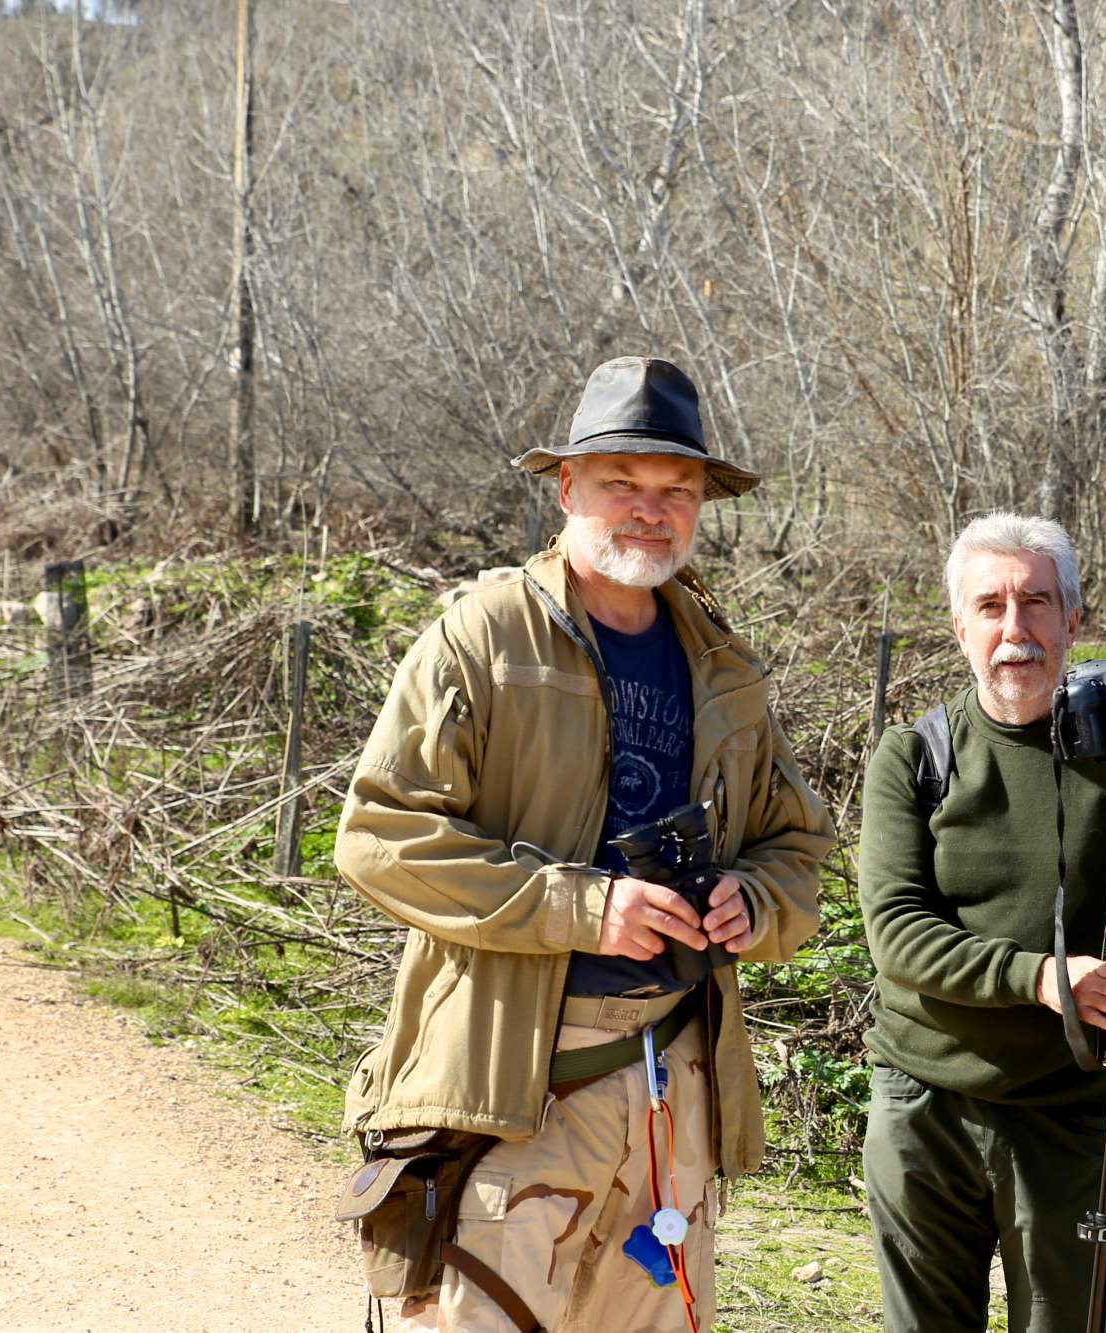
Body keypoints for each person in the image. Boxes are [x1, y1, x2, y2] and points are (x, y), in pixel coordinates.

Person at [333, 356, 833, 1333]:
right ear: (566, 487)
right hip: (515, 1087)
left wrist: (754, 901)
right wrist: (582, 904)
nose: (650, 510)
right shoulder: (485, 635)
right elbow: (378, 835)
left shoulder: (721, 663)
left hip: (672, 1094)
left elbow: (797, 846)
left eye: (674, 490)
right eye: (622, 484)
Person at [857, 512, 1106, 1332]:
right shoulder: (916, 755)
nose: (1014, 629)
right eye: (991, 605)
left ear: (1073, 619)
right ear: (960, 624)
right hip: (923, 1106)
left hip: (1068, 1117)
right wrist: (1042, 977)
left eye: (1036, 602)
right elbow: (896, 936)